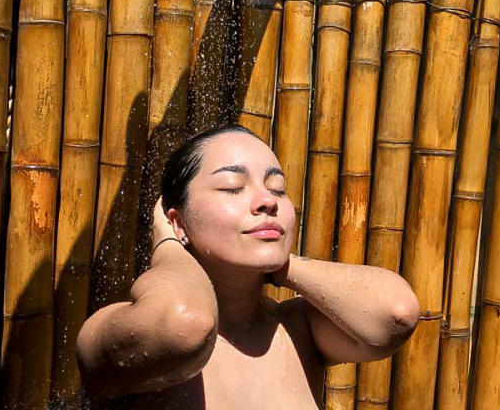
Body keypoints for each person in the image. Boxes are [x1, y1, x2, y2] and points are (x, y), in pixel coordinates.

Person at [76, 124, 419, 409]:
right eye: (233, 187)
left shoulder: (298, 329)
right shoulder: (117, 330)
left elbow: (396, 313)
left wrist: (282, 266)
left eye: (277, 189)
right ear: (176, 221)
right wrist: (168, 244)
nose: (268, 200)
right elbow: (185, 325)